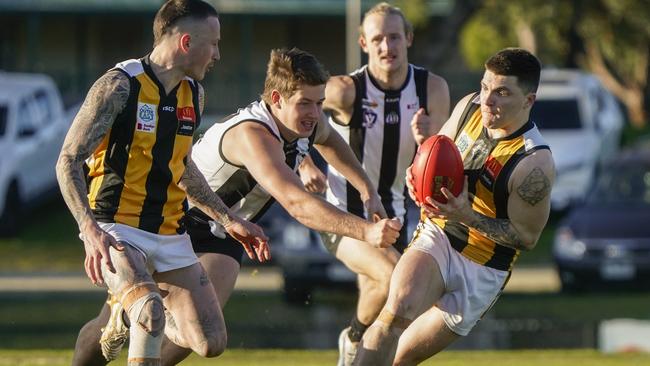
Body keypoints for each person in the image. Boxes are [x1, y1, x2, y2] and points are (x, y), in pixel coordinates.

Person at [159, 46, 404, 364]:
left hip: (227, 231)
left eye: (319, 103)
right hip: (175, 220)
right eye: (305, 103)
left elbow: (331, 140)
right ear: (276, 99)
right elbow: (297, 203)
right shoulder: (253, 135)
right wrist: (368, 232)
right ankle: (129, 314)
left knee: (206, 340)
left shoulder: (307, 123)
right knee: (125, 331)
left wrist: (367, 188)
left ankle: (139, 326)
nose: (315, 114)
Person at [56, 1, 269, 365]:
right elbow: (68, 160)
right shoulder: (119, 86)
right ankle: (135, 312)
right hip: (116, 228)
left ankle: (122, 317)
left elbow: (182, 167)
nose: (217, 54)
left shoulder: (193, 95)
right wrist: (90, 230)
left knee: (210, 341)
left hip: (170, 233)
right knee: (150, 314)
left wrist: (227, 219)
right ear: (186, 42)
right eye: (214, 43)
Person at [353, 47, 555, 366]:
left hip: (484, 267)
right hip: (440, 235)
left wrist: (467, 215)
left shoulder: (534, 164)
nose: (488, 100)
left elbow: (526, 238)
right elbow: (438, 158)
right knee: (394, 314)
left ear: (528, 100)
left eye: (502, 92)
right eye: (486, 86)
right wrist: (418, 173)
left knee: (402, 359)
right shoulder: (468, 108)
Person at [297, 3, 449, 365]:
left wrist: (430, 139)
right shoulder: (345, 90)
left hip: (393, 216)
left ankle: (355, 344)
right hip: (341, 214)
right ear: (364, 43)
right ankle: (352, 341)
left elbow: (441, 160)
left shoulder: (432, 89)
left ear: (408, 38)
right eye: (377, 38)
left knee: (379, 294)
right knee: (395, 279)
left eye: (394, 37)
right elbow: (283, 113)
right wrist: (303, 162)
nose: (387, 46)